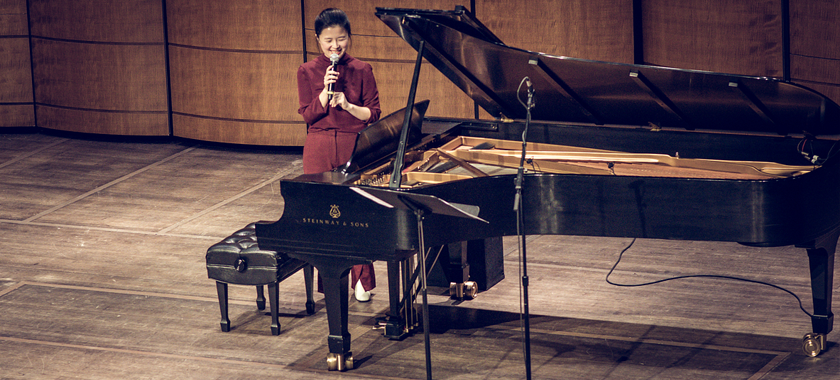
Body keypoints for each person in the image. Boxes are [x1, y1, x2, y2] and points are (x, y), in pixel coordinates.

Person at [296, 8, 381, 302]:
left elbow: (373, 114)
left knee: (356, 214)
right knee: (323, 215)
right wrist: (323, 93)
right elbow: (307, 115)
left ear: (350, 38)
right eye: (328, 41)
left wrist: (346, 104)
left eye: (341, 40)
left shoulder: (362, 69)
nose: (335, 47)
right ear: (318, 40)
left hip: (352, 144)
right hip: (318, 145)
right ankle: (331, 280)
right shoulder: (307, 71)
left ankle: (362, 280)